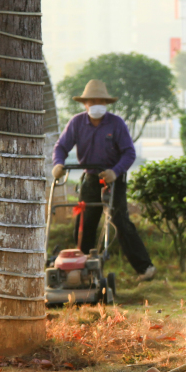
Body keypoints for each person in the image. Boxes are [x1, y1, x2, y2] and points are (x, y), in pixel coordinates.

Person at [52, 79, 156, 282]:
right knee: (85, 222)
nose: (96, 104)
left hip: (113, 179)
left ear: (106, 104)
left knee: (119, 221)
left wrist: (115, 172)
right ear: (85, 104)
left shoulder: (116, 124)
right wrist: (58, 164)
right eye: (92, 101)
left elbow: (129, 153)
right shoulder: (77, 123)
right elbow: (61, 147)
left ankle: (145, 268)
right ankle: (81, 269)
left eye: (100, 101)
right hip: (90, 177)